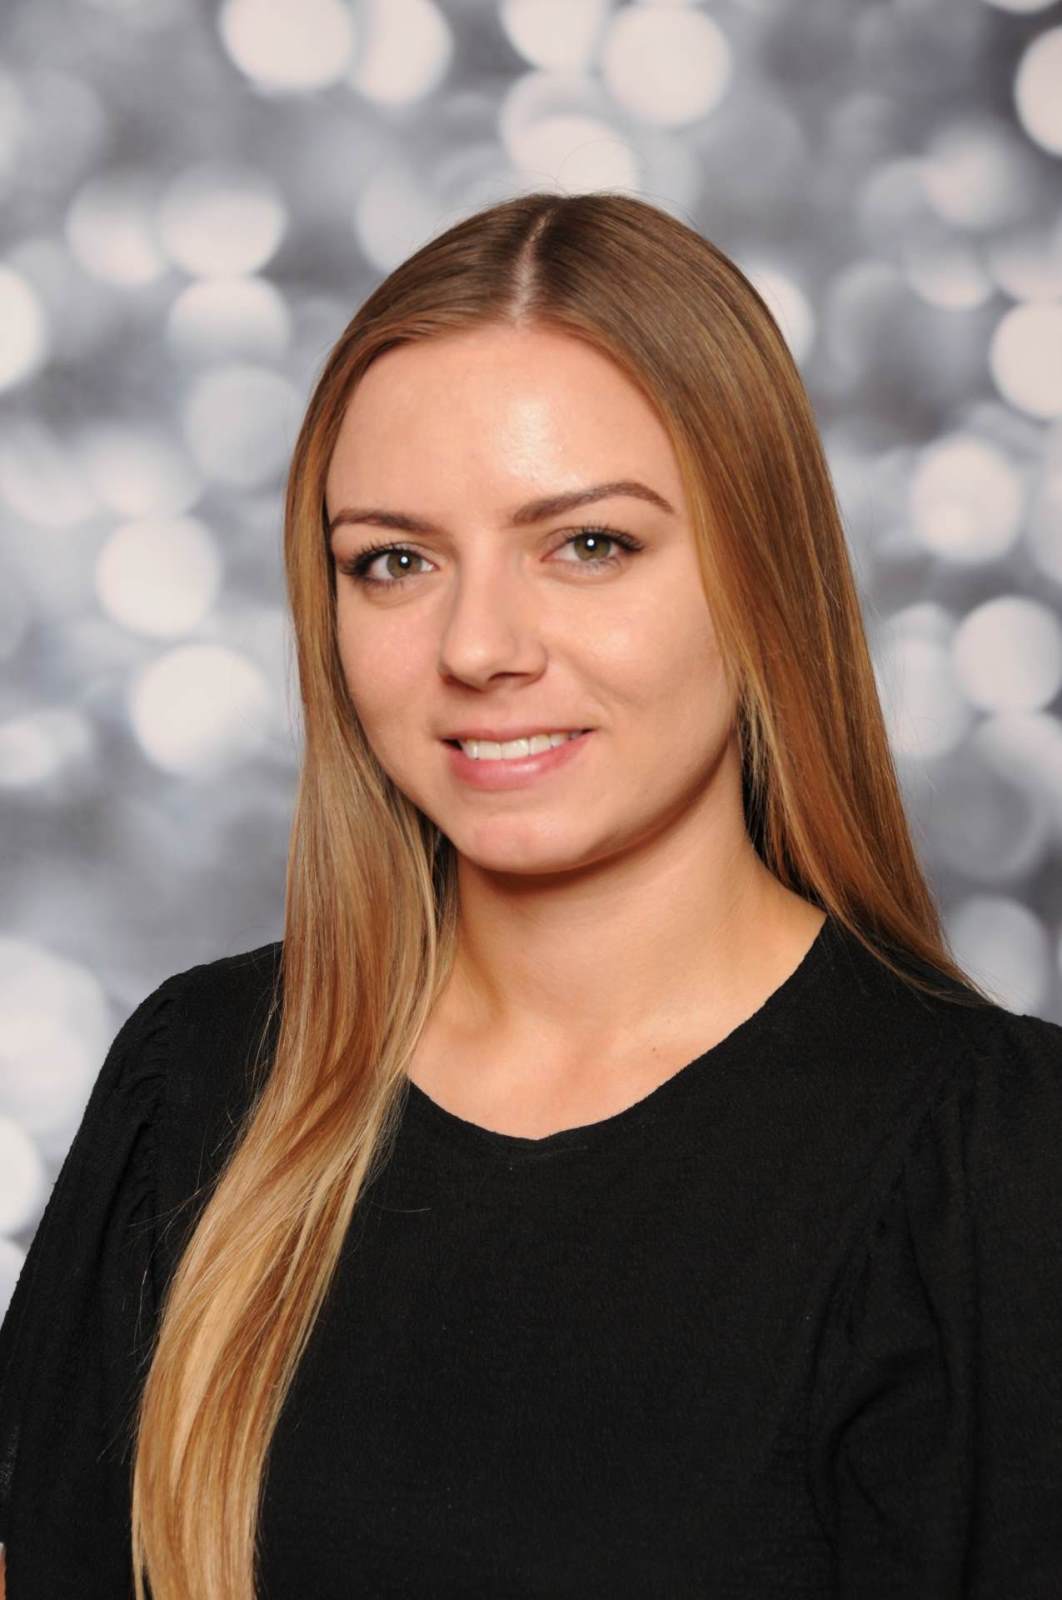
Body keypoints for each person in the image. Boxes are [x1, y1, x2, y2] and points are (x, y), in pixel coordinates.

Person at [0, 189, 1059, 1600]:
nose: (479, 646)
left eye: (588, 545)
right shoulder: (196, 1086)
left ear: (763, 569)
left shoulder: (992, 1166)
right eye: (395, 562)